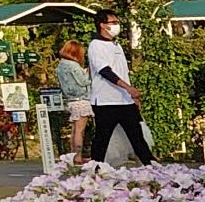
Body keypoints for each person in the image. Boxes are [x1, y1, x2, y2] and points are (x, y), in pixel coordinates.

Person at [84, 9, 154, 166]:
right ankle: (95, 167)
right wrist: (128, 88)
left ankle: (150, 166)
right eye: (113, 23)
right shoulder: (95, 45)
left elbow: (123, 72)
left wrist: (131, 96)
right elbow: (105, 71)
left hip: (124, 100)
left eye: (117, 22)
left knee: (137, 136)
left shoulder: (116, 45)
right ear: (102, 25)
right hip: (106, 101)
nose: (117, 26)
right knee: (102, 138)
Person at [53, 41, 94, 160]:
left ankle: (72, 155)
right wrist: (88, 72)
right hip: (81, 100)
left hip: (70, 100)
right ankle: (78, 156)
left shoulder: (61, 65)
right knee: (80, 131)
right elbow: (83, 81)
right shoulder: (73, 65)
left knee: (74, 130)